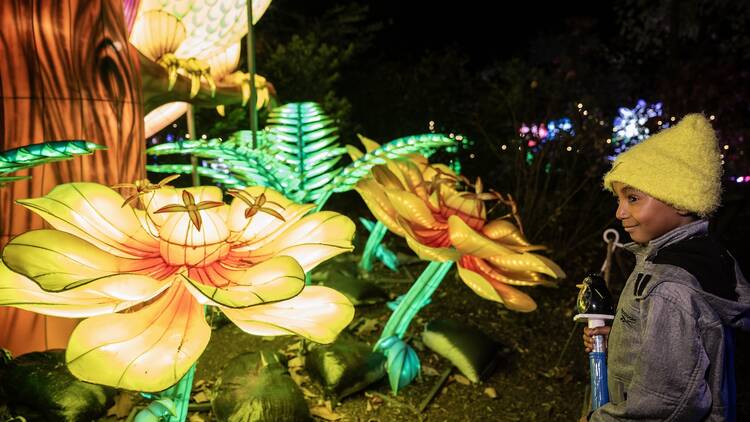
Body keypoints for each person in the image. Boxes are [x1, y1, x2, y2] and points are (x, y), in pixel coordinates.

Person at [581, 114, 750, 421]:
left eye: (633, 198)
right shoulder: (703, 256)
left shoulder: (670, 288)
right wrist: (619, 336)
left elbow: (665, 403)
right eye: (619, 199)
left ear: (680, 201)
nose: (619, 212)